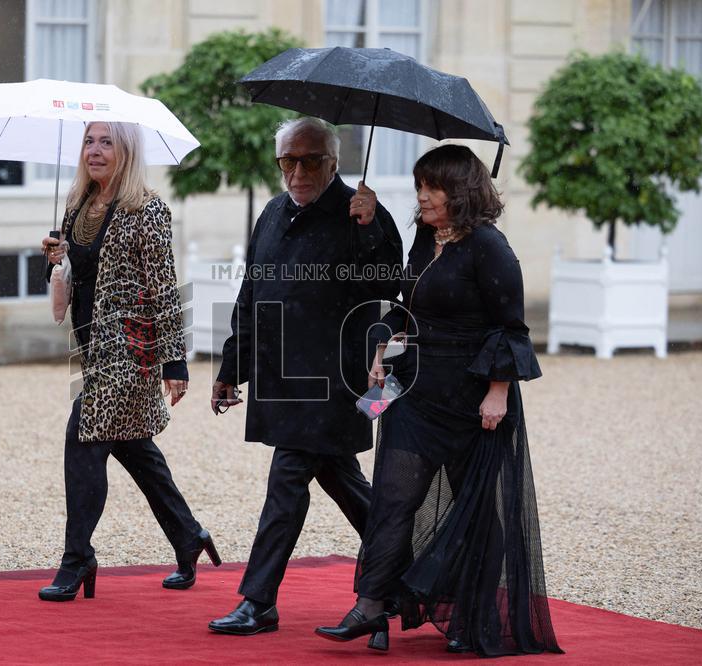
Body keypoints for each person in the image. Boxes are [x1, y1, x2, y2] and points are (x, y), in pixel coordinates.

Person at [314, 144, 562, 656]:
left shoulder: (490, 247)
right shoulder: (426, 237)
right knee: (392, 498)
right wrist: (383, 348)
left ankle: (474, 613)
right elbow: (409, 304)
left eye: (433, 188)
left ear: (461, 192)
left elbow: (511, 329)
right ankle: (371, 604)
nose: (422, 197)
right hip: (415, 392)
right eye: (419, 186)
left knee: (478, 511)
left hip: (472, 402)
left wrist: (498, 393)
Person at [208, 117, 403, 635]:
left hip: (333, 381)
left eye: (311, 160)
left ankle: (258, 601)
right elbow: (251, 295)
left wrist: (370, 225)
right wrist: (232, 367)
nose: (298, 171)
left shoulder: (361, 212)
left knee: (288, 480)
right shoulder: (273, 212)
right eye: (288, 160)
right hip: (281, 377)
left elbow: (389, 284)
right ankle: (412, 571)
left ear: (333, 163)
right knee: (343, 480)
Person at [37, 121, 220, 602]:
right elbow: (76, 276)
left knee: (83, 436)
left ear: (128, 151)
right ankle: (188, 534)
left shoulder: (148, 209)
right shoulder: (77, 205)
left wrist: (174, 363)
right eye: (88, 141)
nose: (94, 151)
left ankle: (77, 558)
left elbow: (164, 287)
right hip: (92, 347)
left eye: (107, 142)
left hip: (131, 351)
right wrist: (53, 258)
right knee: (132, 446)